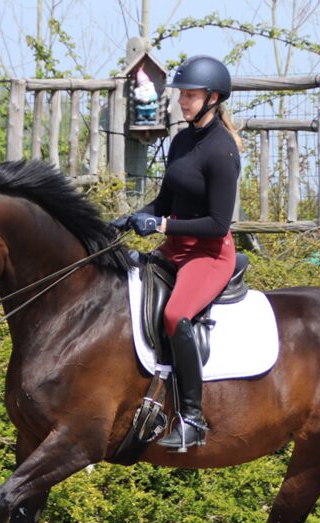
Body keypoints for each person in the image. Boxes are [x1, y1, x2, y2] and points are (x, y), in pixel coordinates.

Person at [111, 55, 243, 452]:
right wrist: (134, 217)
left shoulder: (223, 152)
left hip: (209, 255)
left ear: (213, 97)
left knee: (174, 314)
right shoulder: (181, 139)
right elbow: (165, 200)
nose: (181, 102)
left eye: (189, 95)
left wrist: (163, 225)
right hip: (174, 248)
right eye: (181, 95)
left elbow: (219, 224)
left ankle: (192, 419)